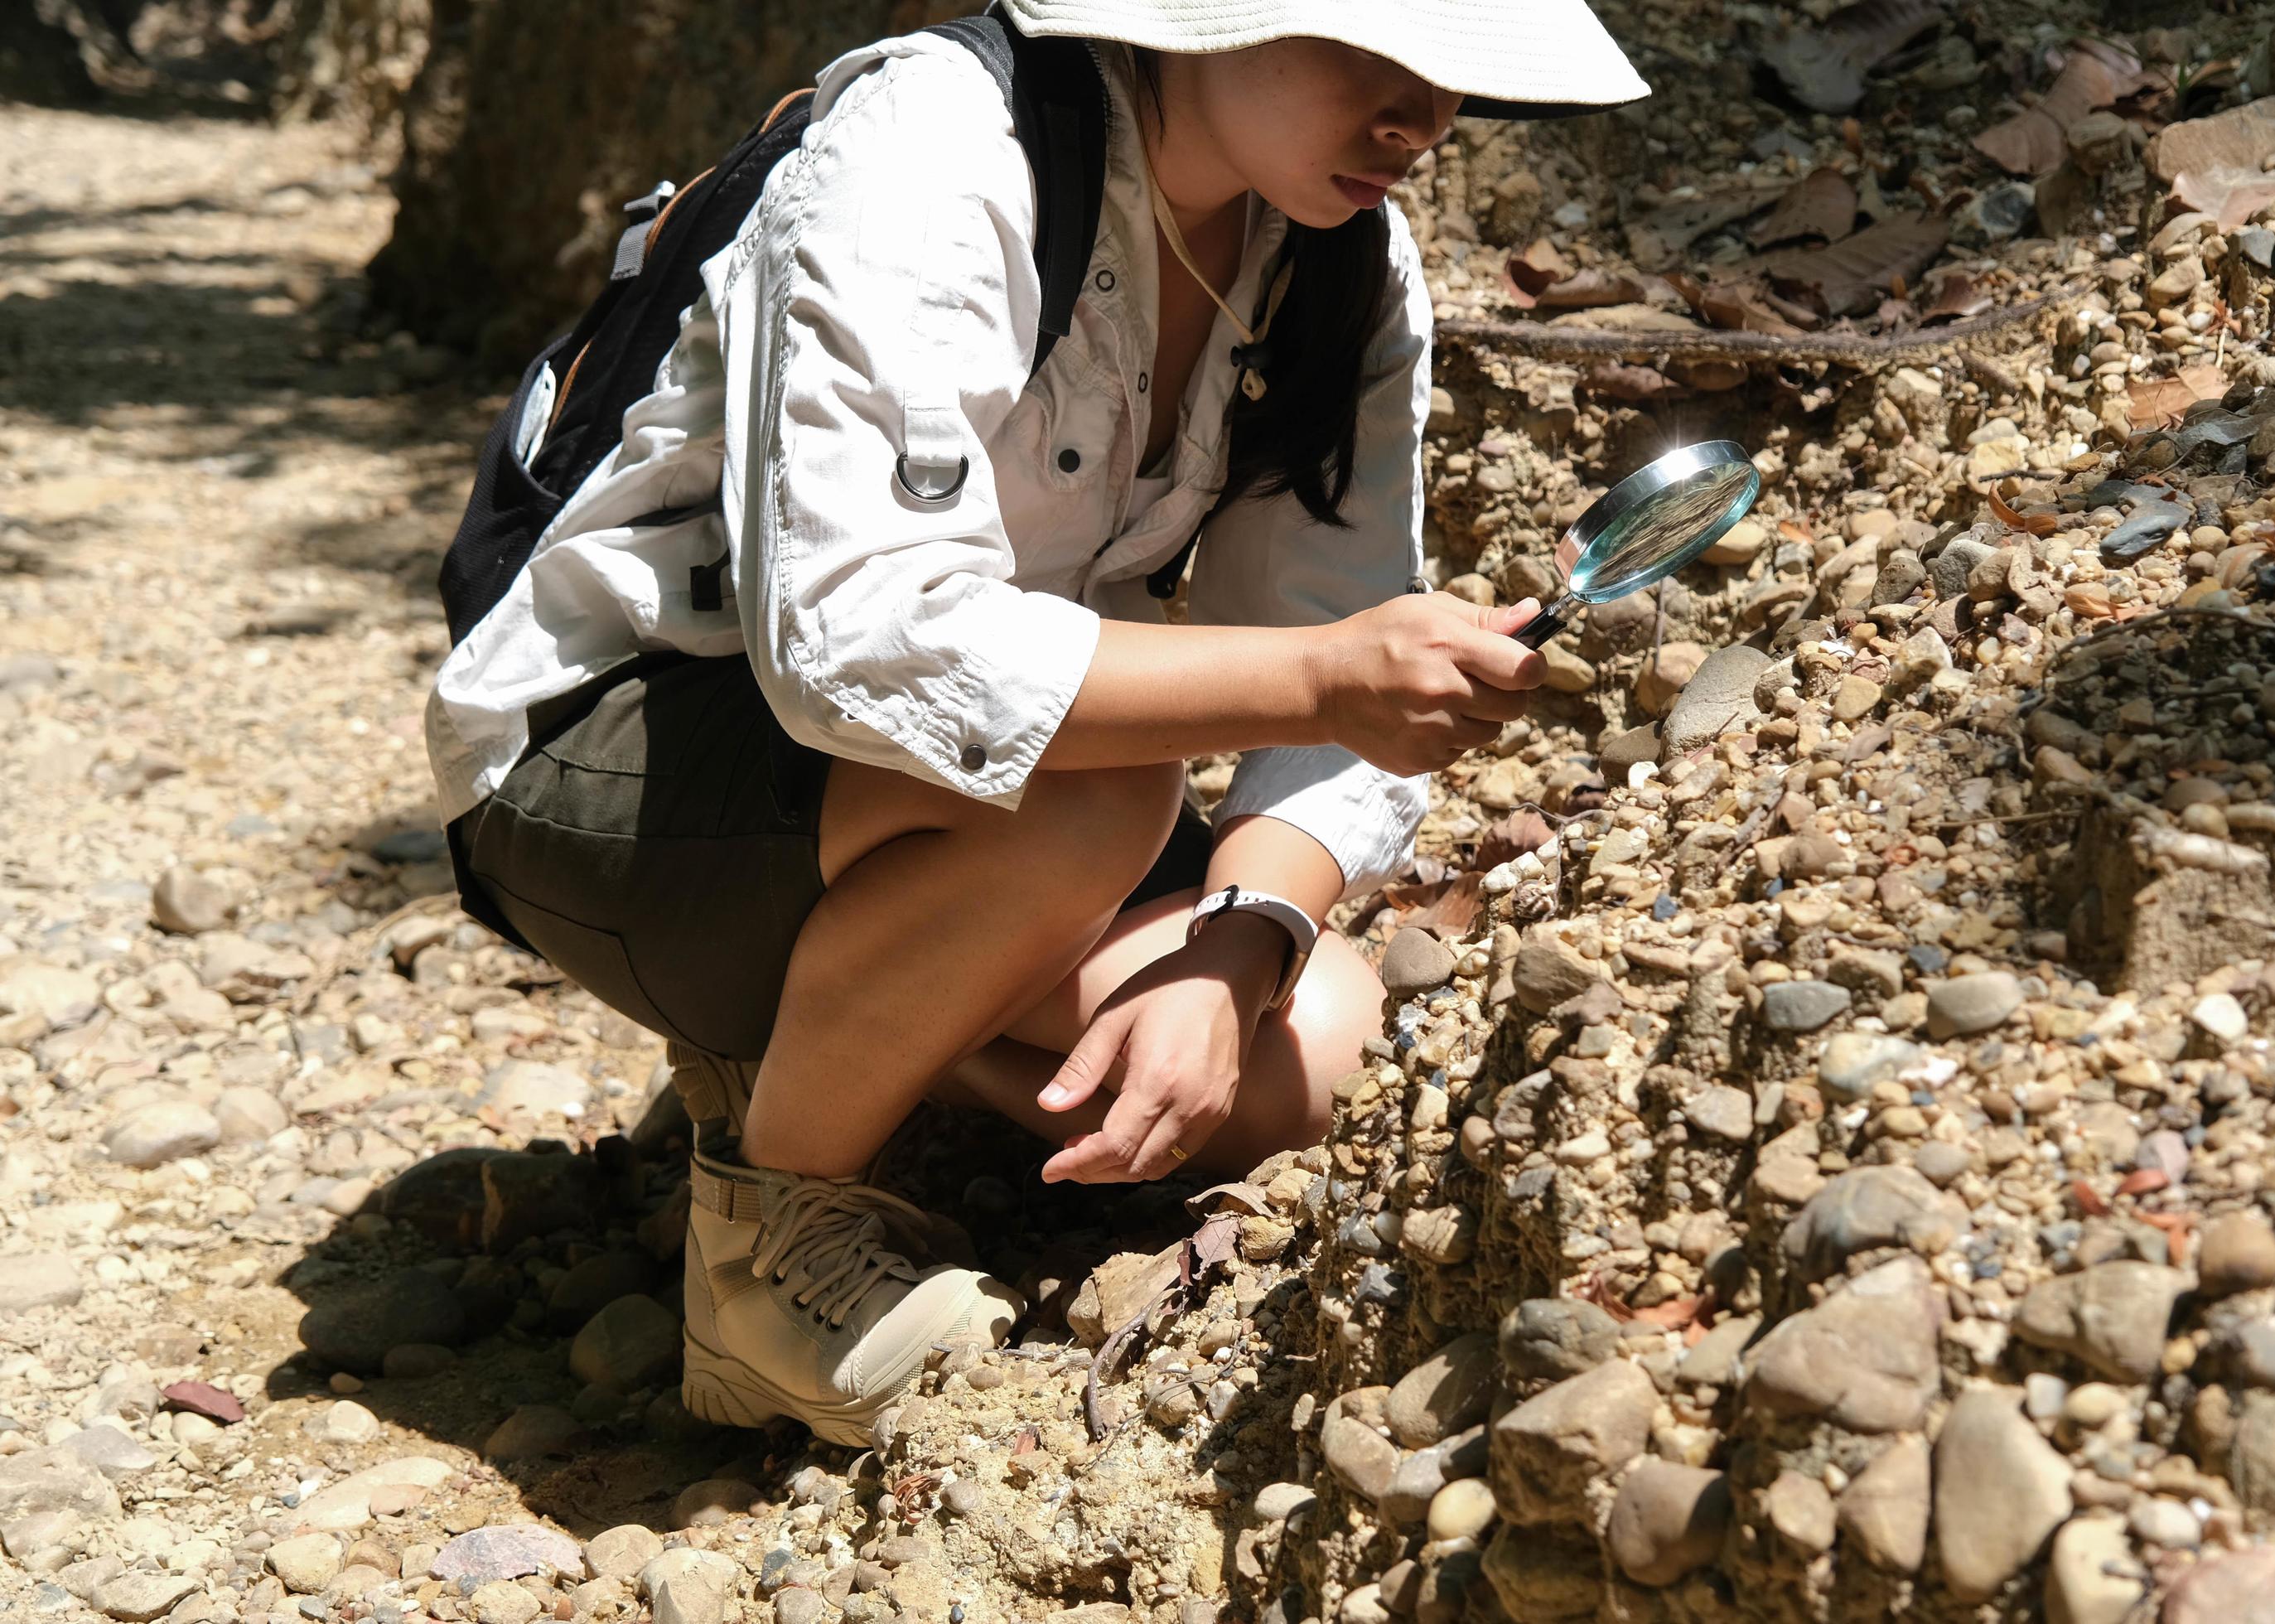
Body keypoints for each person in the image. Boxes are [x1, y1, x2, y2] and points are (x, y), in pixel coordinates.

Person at [424, 0, 1647, 1444]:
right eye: (1371, 52)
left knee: (1303, 1046)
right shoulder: (937, 148)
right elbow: (858, 642)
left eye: (1452, 72)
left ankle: (843, 1035)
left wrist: (1238, 943)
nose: (1420, 117)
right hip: (600, 766)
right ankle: (759, 1252)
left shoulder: (1341, 266)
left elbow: (1332, 630)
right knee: (1091, 799)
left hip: (935, 804)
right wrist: (1325, 678)